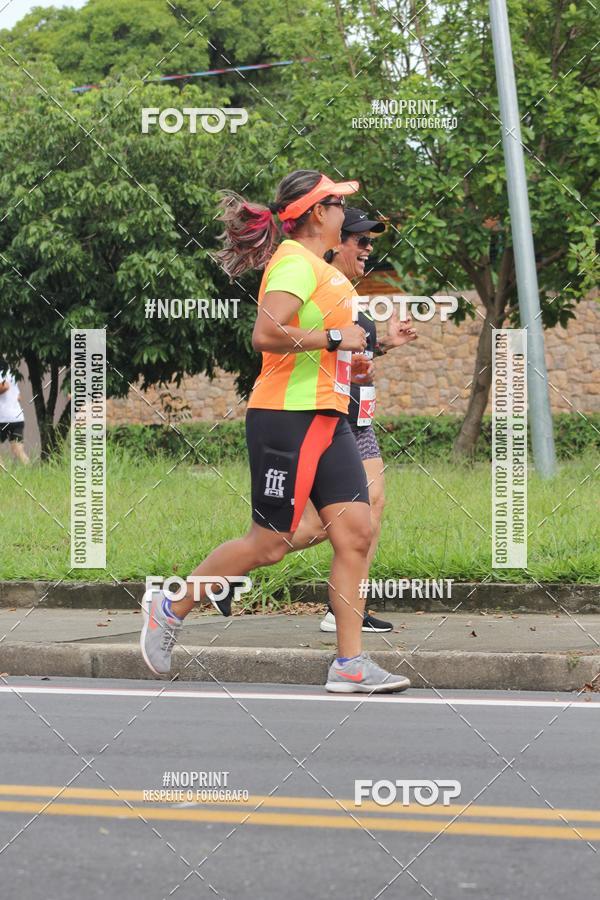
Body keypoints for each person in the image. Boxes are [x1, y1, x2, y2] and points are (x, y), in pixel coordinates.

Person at [140, 169, 411, 693]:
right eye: (337, 204)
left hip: (327, 416)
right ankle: (171, 607)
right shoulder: (293, 263)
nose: (344, 213)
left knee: (357, 532)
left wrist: (362, 344)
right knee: (268, 544)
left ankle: (350, 665)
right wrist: (337, 336)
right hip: (288, 417)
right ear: (317, 213)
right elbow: (266, 333)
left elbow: (333, 341)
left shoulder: (321, 269)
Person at [287, 208, 418, 633]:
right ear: (335, 241)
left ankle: (346, 609)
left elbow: (352, 352)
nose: (368, 249)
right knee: (322, 523)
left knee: (372, 507)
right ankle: (228, 571)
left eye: (370, 242)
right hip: (328, 416)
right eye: (360, 240)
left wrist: (384, 346)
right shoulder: (320, 286)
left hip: (357, 416)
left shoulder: (346, 291)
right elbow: (305, 344)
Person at [0, 367, 29, 465]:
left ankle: (2, 476)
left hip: (3, 418)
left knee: (17, 449)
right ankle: (31, 473)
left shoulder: (1, 372)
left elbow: (4, 386)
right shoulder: (12, 373)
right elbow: (19, 397)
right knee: (18, 450)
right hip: (17, 417)